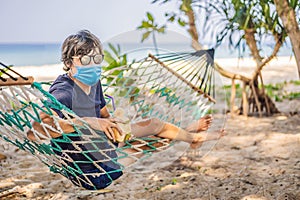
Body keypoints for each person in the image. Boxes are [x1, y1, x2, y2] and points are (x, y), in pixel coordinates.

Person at [28, 30, 224, 190]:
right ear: (69, 62)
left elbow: (103, 113)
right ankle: (189, 133)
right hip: (92, 169)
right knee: (149, 145)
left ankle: (191, 137)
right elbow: (35, 132)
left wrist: (113, 122)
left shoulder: (93, 83)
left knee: (154, 124)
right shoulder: (63, 93)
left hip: (103, 143)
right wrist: (88, 122)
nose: (93, 64)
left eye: (96, 58)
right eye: (85, 60)